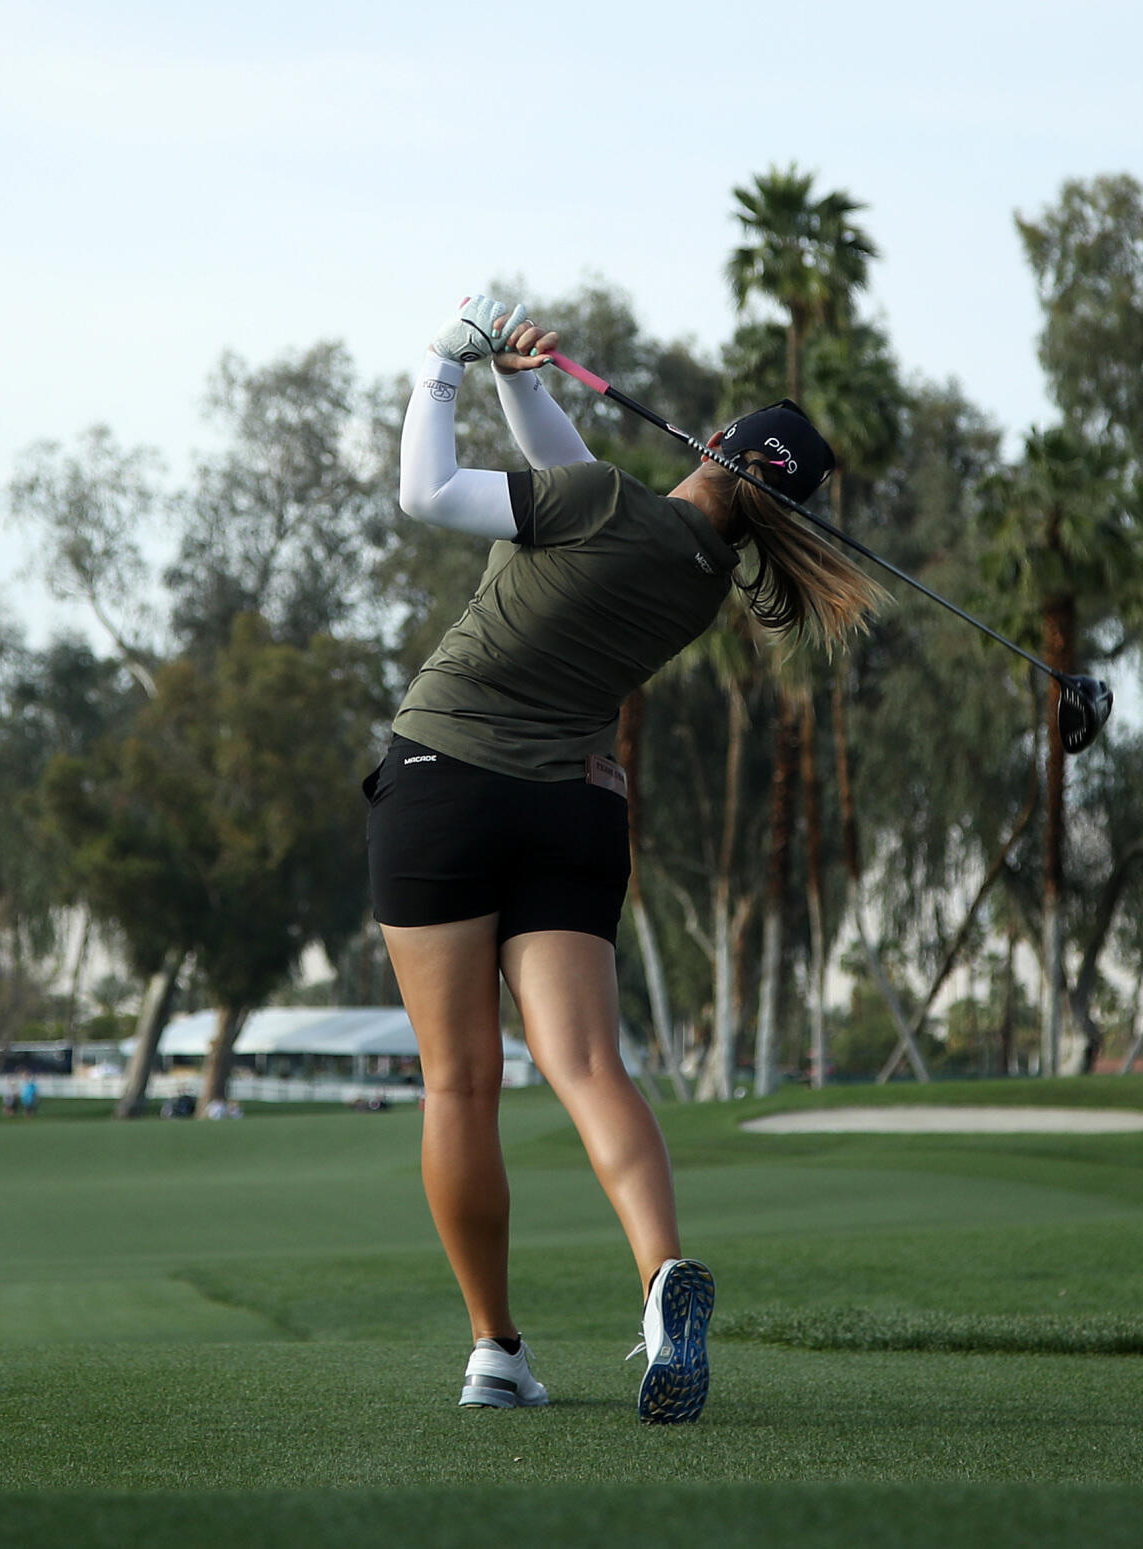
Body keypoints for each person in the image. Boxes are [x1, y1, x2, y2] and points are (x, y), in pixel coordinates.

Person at [370, 293, 880, 1423]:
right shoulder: (698, 579)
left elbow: (427, 493)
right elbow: (575, 484)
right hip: (573, 810)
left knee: (459, 1082)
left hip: (444, 786)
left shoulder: (605, 505)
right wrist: (519, 382)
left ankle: (496, 1351)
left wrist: (442, 366)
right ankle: (659, 1279)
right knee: (590, 1065)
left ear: (717, 444)